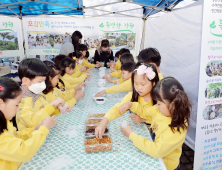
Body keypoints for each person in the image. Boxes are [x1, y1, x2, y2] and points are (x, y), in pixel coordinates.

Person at [116, 77, 191, 170]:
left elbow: (156, 150)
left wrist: (131, 135)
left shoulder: (177, 128)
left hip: (166, 166)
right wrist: (131, 105)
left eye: (159, 103)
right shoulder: (159, 110)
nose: (157, 105)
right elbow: (144, 111)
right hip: (154, 157)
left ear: (172, 105)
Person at [0, 77, 58, 170]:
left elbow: (16, 136)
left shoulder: (5, 121)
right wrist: (44, 129)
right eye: (16, 105)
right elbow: (24, 152)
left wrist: (35, 129)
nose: (18, 109)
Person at [95, 64, 159, 133]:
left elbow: (163, 119)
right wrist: (103, 123)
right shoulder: (133, 95)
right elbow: (118, 108)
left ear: (153, 83)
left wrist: (144, 120)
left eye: (143, 84)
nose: (138, 87)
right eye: (136, 83)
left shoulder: (160, 99)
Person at [16, 58, 65, 131]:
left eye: (44, 81)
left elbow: (45, 111)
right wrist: (52, 104)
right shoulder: (20, 101)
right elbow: (32, 122)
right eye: (40, 81)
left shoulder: (37, 93)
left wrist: (57, 106)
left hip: (42, 133)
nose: (43, 84)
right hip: (31, 139)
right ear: (26, 81)